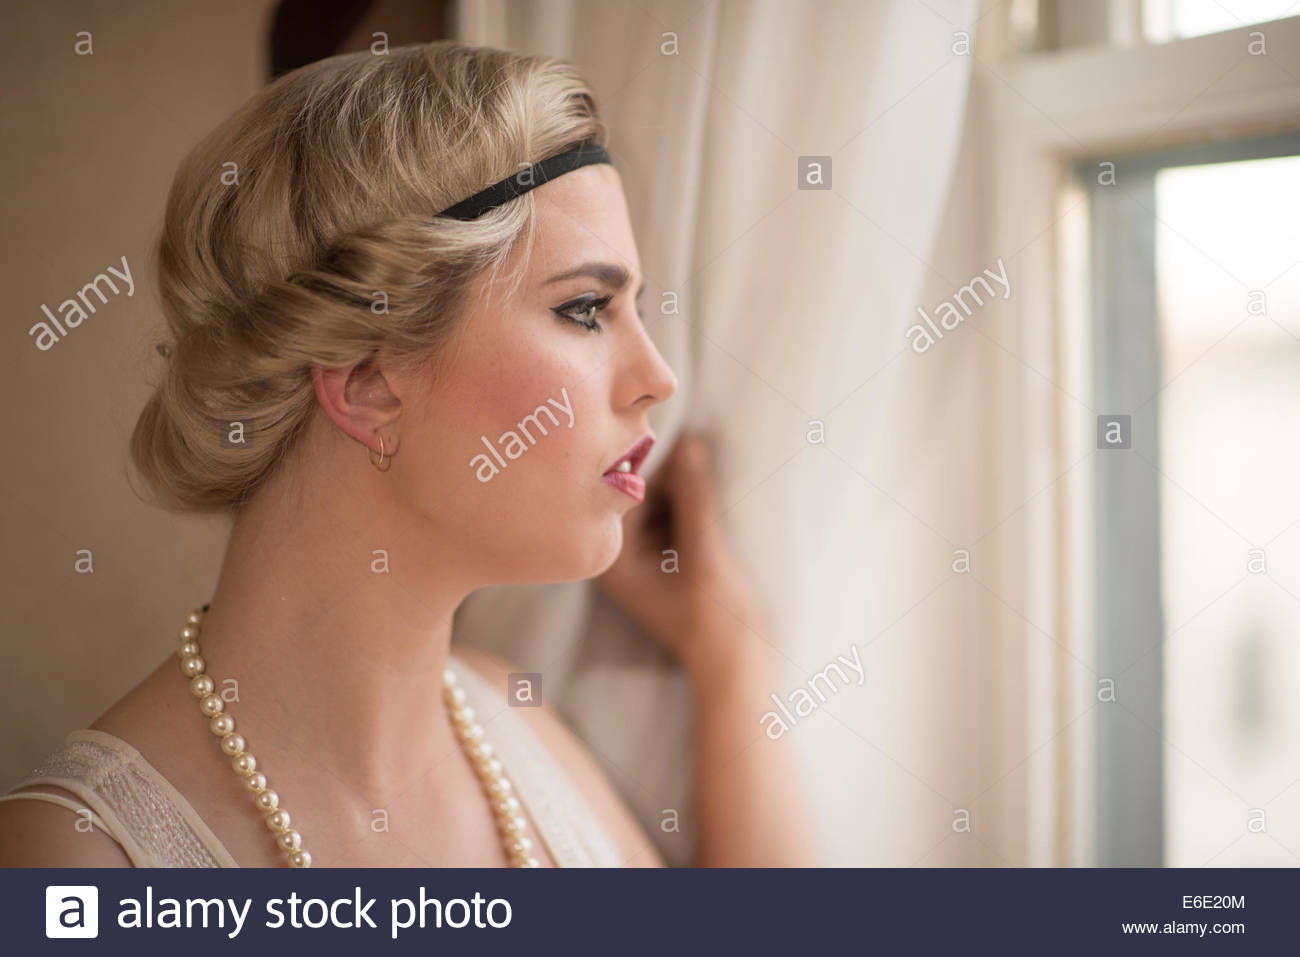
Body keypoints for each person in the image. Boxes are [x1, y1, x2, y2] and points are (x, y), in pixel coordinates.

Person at [0, 40, 811, 868]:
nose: (657, 378)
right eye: (585, 308)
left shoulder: (518, 730)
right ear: (365, 381)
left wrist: (731, 656)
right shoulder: (68, 858)